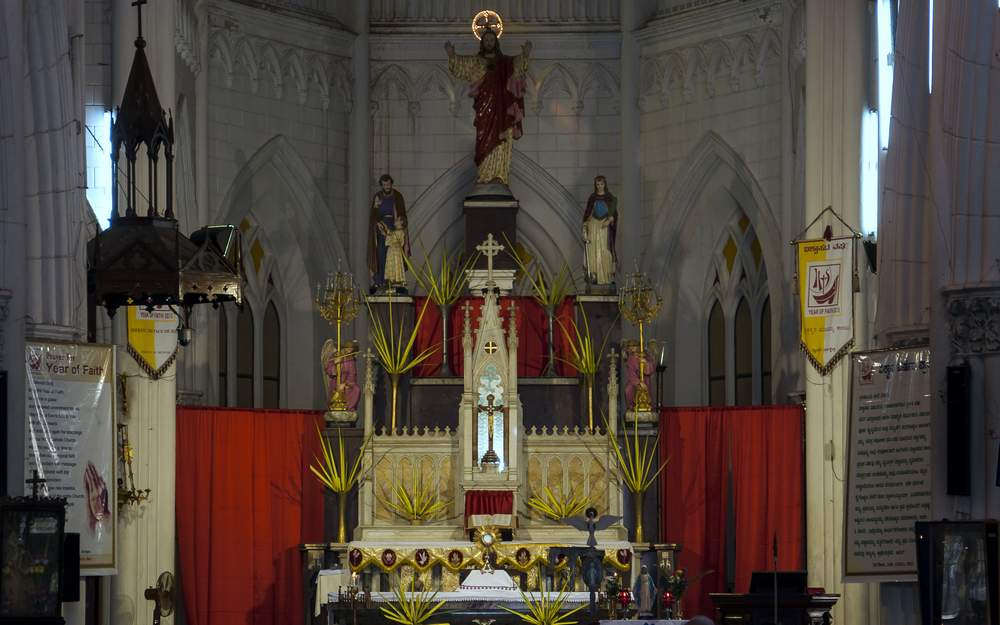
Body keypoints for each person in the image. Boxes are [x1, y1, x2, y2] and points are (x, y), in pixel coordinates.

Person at [445, 29, 531, 185]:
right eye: (486, 40)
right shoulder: (477, 62)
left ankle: (499, 174)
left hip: (502, 108)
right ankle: (484, 175)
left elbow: (517, 66)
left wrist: (524, 55)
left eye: (492, 40)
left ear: (496, 42)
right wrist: (452, 55)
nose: (489, 42)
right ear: (482, 43)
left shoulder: (504, 62)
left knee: (502, 138)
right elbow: (461, 66)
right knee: (484, 139)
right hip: (484, 108)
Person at [367, 174, 409, 292]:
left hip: (395, 227)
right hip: (381, 230)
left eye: (388, 184)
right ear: (382, 185)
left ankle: (395, 281)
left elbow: (401, 215)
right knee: (380, 253)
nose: (386, 186)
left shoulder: (397, 196)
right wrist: (378, 223)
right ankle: (380, 281)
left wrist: (400, 231)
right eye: (384, 184)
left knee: (395, 255)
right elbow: (373, 214)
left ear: (391, 184)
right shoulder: (378, 196)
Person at [583, 175, 618, 286]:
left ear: (605, 184)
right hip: (593, 225)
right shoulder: (592, 198)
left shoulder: (610, 198)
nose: (600, 186)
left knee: (605, 250)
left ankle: (606, 276)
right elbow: (587, 213)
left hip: (604, 226)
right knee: (593, 250)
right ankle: (594, 275)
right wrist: (585, 225)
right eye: (598, 184)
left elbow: (615, 214)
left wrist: (610, 219)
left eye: (601, 184)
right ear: (595, 185)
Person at [379, 217, 408, 288]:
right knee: (392, 264)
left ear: (401, 222)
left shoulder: (400, 231)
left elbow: (392, 238)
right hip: (393, 251)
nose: (395, 220)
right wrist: (384, 228)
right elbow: (390, 234)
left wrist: (385, 233)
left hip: (395, 252)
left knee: (395, 264)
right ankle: (392, 280)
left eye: (397, 219)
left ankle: (395, 280)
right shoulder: (397, 231)